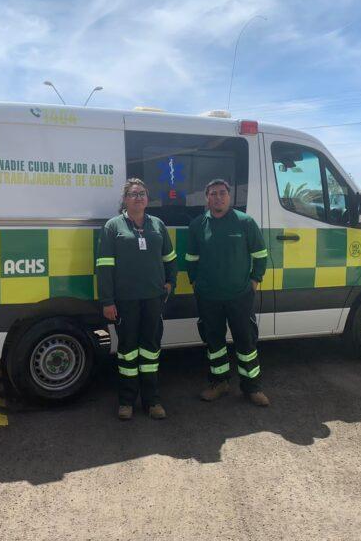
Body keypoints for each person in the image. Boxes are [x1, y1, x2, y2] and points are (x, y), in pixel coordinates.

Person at [96, 179, 178, 420]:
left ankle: (152, 401)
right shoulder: (113, 227)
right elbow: (104, 266)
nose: (139, 198)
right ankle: (126, 402)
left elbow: (170, 257)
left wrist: (170, 281)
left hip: (153, 298)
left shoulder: (157, 225)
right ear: (125, 199)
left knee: (151, 351)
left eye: (142, 193)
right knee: (128, 351)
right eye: (133, 194)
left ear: (147, 198)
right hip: (126, 301)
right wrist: (107, 301)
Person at [185, 178, 270, 406]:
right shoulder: (197, 225)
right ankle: (219, 383)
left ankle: (252, 388)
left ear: (229, 196)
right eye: (213, 193)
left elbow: (261, 255)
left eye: (222, 193)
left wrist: (254, 281)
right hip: (209, 297)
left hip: (240, 296)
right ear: (207, 198)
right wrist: (196, 284)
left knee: (246, 342)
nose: (218, 197)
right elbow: (191, 260)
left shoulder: (245, 222)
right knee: (214, 343)